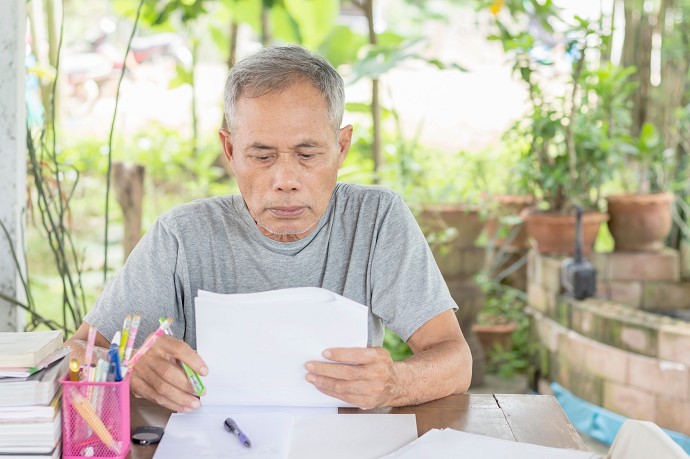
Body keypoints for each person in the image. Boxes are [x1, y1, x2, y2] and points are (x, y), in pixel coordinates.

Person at [66, 45, 472, 412]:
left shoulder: (376, 220)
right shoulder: (182, 237)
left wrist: (396, 383)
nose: (286, 179)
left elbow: (455, 360)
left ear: (342, 147)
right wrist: (131, 369)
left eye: (307, 154)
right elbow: (78, 351)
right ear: (230, 150)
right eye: (262, 156)